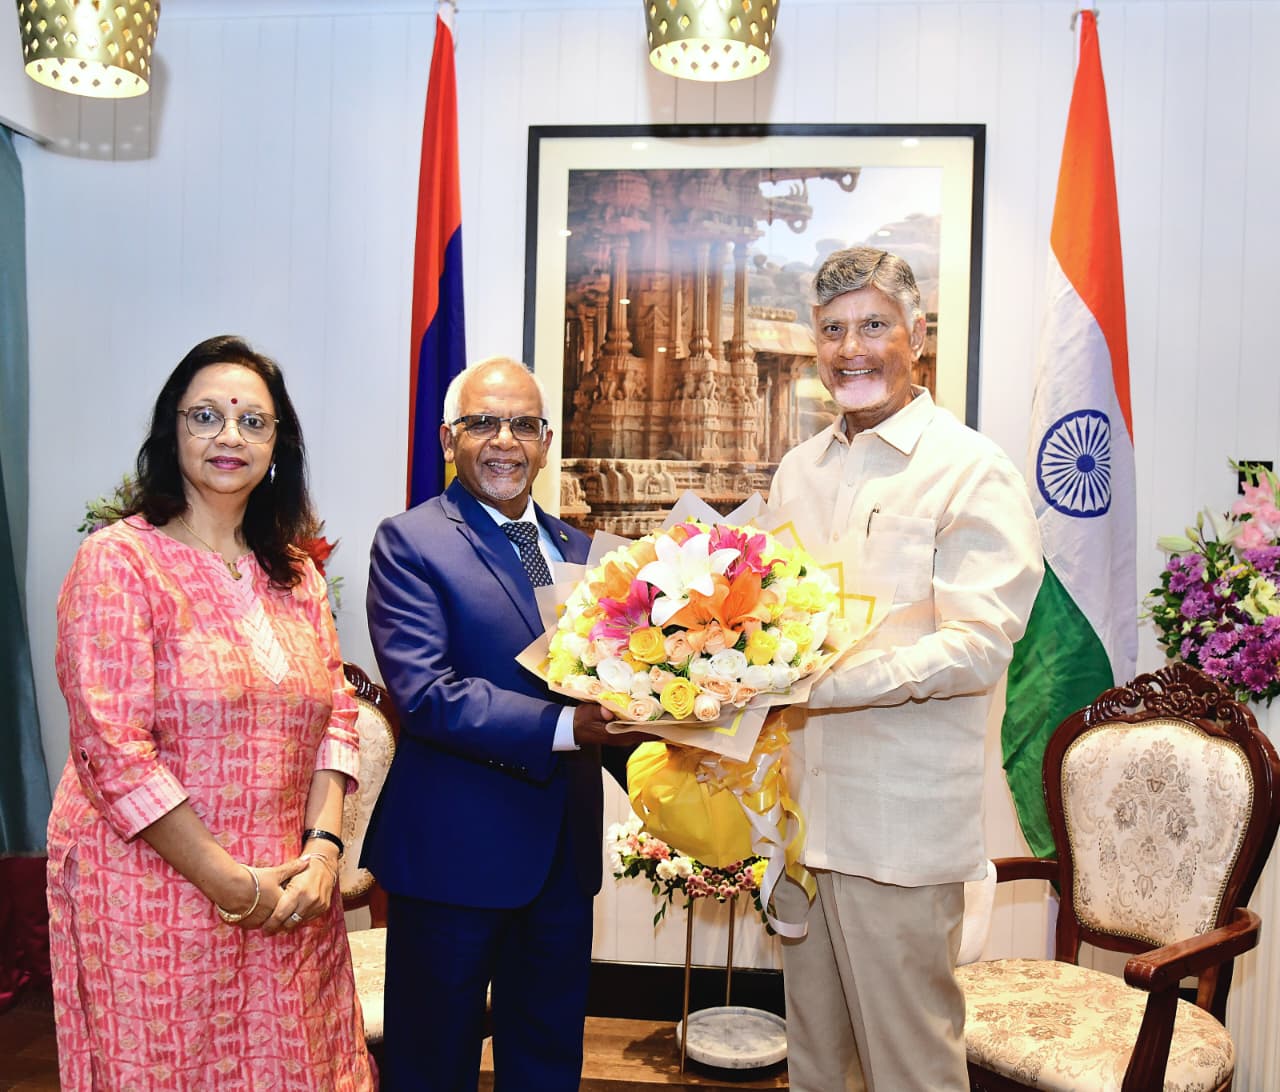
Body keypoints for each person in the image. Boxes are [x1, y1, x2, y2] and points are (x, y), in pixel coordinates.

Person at [47, 336, 374, 1090]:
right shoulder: (120, 561)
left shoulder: (296, 574)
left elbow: (336, 717)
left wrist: (323, 853)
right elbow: (113, 750)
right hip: (153, 892)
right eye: (206, 416)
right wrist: (230, 884)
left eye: (253, 421)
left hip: (290, 889)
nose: (230, 436)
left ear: (278, 446)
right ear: (172, 432)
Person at [768, 247, 1043, 1092]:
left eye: (874, 325)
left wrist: (821, 685)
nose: (851, 348)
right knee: (817, 1071)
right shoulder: (798, 472)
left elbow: (979, 644)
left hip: (899, 836)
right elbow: (772, 627)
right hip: (800, 830)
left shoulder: (970, 469)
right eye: (833, 330)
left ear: (917, 336)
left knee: (911, 1074)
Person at [364, 356, 641, 1091]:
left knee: (547, 1064)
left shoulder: (589, 555)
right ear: (448, 438)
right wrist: (569, 728)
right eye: (483, 422)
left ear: (546, 442)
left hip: (562, 863)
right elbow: (426, 693)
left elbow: (613, 694)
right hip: (452, 859)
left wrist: (683, 738)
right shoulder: (410, 542)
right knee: (432, 1069)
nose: (504, 441)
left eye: (523, 424)